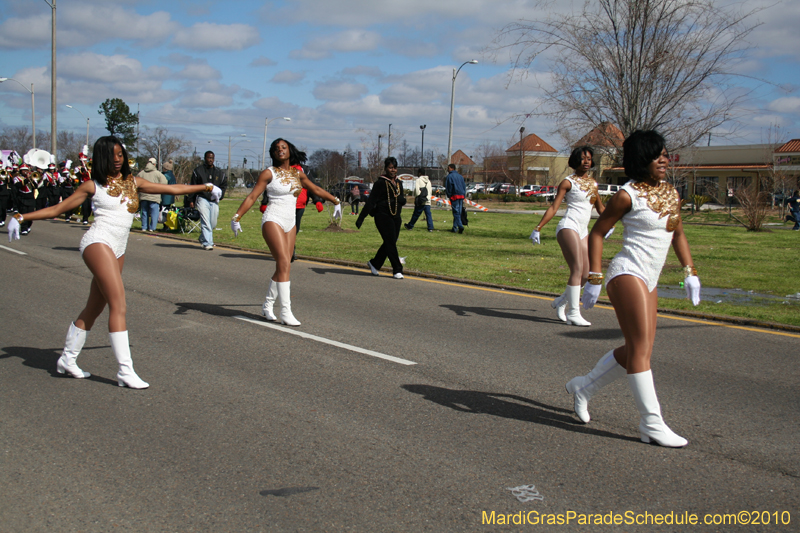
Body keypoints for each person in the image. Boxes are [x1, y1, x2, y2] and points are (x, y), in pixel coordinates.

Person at [6, 135, 221, 389]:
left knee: (94, 307)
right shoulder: (92, 185)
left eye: (121, 155)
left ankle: (67, 359)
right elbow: (58, 209)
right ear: (101, 158)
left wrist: (205, 187)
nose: (118, 160)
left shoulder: (133, 181)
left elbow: (172, 189)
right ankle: (125, 371)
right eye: (112, 155)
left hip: (119, 248)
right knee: (119, 304)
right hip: (97, 242)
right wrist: (21, 216)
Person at [567, 130, 701, 447]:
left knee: (637, 350)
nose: (665, 160)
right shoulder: (627, 195)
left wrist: (690, 271)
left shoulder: (671, 192)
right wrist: (595, 278)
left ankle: (583, 388)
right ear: (643, 160)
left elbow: (678, 233)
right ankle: (651, 424)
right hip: (628, 273)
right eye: (659, 156)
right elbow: (598, 233)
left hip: (651, 278)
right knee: (641, 349)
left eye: (666, 154)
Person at [230, 139, 341, 326]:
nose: (280, 150)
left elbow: (315, 189)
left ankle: (268, 305)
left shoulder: (298, 173)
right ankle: (285, 311)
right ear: (273, 154)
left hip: (291, 222)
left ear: (290, 150)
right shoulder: (268, 173)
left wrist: (335, 200)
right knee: (283, 262)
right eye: (276, 149)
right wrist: (236, 217)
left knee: (285, 265)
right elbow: (252, 196)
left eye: (283, 147)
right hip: (273, 219)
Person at [531, 146, 607, 326]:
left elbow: (601, 209)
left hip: (583, 230)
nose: (586, 161)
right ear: (575, 161)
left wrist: (610, 223)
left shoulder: (593, 184)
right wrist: (538, 227)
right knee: (577, 268)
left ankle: (561, 302)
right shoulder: (567, 182)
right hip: (568, 226)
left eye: (589, 158)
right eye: (582, 158)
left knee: (586, 274)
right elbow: (554, 208)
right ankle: (573, 313)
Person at [356, 157, 406, 279]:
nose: (392, 170)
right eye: (390, 168)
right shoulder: (380, 183)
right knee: (390, 242)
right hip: (382, 216)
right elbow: (371, 201)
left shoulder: (399, 183)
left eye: (394, 168)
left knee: (390, 242)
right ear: (386, 168)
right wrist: (361, 217)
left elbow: (403, 200)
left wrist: (401, 200)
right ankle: (397, 269)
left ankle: (374, 263)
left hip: (396, 217)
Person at [189, 151, 227, 250]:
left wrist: (220, 195)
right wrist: (191, 199)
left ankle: (202, 237)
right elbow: (193, 186)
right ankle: (208, 243)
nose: (210, 160)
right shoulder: (198, 171)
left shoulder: (219, 172)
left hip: (214, 200)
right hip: (202, 198)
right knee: (205, 221)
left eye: (212, 158)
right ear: (205, 158)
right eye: (208, 157)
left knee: (213, 223)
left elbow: (223, 185)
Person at [137, 157, 168, 232]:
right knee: (154, 213)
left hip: (143, 195)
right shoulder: (157, 173)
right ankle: (152, 228)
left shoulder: (141, 173)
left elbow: (136, 182)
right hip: (154, 196)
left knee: (144, 212)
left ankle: (144, 227)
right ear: (154, 164)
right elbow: (165, 182)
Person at [404, 168, 434, 232]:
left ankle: (410, 225)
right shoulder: (428, 181)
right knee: (428, 214)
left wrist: (417, 197)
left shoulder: (418, 180)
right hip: (428, 200)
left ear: (420, 173)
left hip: (421, 200)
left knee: (416, 214)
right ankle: (430, 227)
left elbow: (417, 191)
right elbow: (430, 191)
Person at [445, 164, 466, 233]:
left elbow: (449, 187)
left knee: (456, 212)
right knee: (458, 212)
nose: (447, 169)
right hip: (461, 195)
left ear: (451, 168)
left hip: (454, 195)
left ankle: (460, 226)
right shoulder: (460, 176)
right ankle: (454, 228)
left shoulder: (450, 176)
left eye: (448, 168)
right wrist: (464, 195)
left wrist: (449, 195)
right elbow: (464, 186)